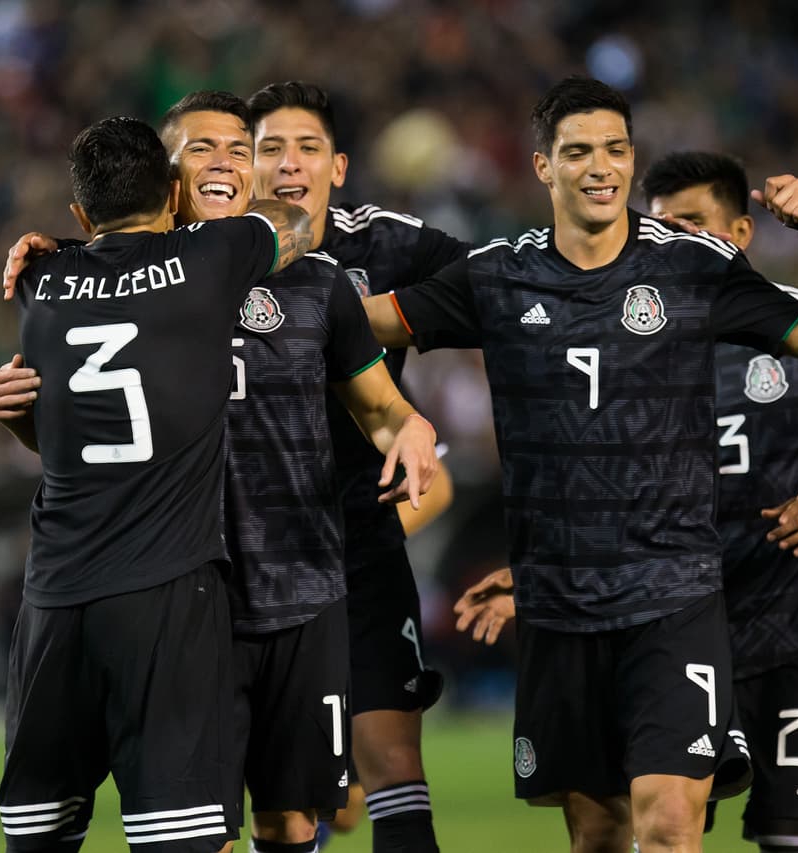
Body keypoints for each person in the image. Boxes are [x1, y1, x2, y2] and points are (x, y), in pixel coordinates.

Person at [363, 76, 798, 853]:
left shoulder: (692, 265)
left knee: (669, 822)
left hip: (674, 597)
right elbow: (362, 329)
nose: (601, 166)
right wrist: (399, 417)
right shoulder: (497, 274)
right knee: (598, 833)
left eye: (616, 149)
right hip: (560, 607)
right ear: (542, 167)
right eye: (578, 151)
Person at [0, 92, 441, 853]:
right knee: (201, 826)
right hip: (184, 600)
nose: (227, 161)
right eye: (201, 148)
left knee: (294, 820)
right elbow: (95, 440)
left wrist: (415, 430)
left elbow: (385, 408)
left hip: (296, 584)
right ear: (166, 179)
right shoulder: (110, 276)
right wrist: (20, 410)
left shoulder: (317, 285)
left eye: (241, 147)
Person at [453, 150, 798, 853]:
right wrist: (542, 575)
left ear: (739, 232)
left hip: (793, 627)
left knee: (790, 832)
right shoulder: (637, 337)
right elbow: (597, 485)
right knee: (660, 823)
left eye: (693, 222)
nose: (673, 237)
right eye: (664, 223)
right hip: (674, 621)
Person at [0, 115, 313, 853]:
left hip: (53, 604)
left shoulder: (39, 281)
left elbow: (57, 419)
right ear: (173, 193)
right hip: (164, 595)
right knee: (179, 840)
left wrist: (64, 249)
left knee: (38, 838)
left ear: (79, 214)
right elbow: (293, 222)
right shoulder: (212, 256)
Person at [247, 81, 471, 853]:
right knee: (284, 793)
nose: (288, 165)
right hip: (247, 553)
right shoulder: (209, 253)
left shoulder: (387, 245)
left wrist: (379, 315)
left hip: (360, 548)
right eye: (269, 147)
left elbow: (494, 285)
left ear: (337, 167)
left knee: (394, 764)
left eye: (306, 148)